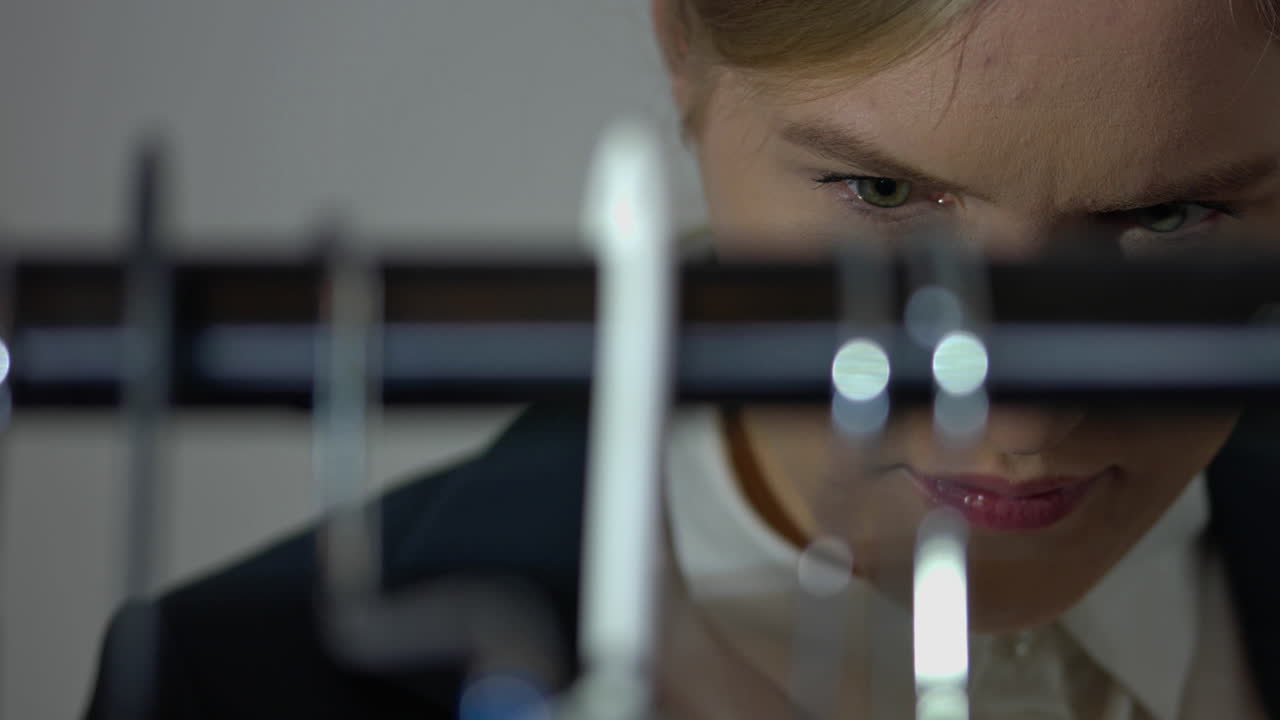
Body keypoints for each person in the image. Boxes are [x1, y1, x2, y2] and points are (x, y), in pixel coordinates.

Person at [85, 0, 1280, 717]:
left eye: (1171, 217)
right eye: (878, 191)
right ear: (680, 48)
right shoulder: (244, 689)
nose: (1014, 410)